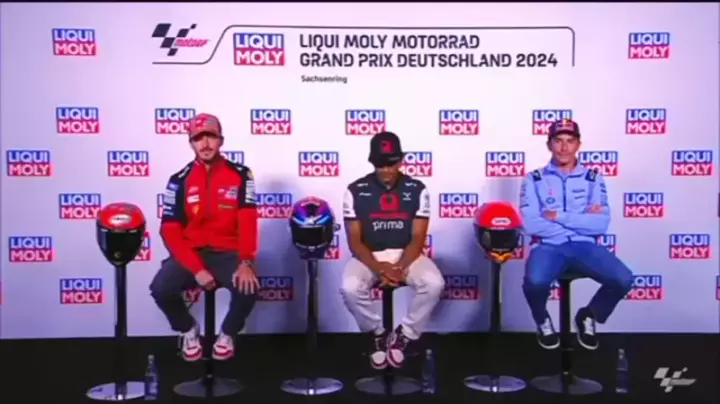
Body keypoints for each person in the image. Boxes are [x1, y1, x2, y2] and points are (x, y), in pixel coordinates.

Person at [150, 113, 260, 361]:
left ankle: (228, 333)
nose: (206, 143)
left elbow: (248, 220)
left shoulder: (241, 175)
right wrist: (196, 269)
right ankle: (188, 329)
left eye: (211, 136)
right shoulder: (178, 180)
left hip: (228, 252)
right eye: (199, 138)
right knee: (160, 289)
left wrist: (246, 261)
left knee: (248, 287)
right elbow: (169, 230)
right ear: (191, 143)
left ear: (221, 140)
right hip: (191, 253)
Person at [519, 119, 634, 351]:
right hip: (548, 246)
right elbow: (531, 224)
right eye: (558, 141)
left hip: (585, 246)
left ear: (578, 145)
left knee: (623, 279)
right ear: (549, 144)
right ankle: (542, 320)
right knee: (535, 282)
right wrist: (579, 222)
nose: (564, 147)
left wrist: (558, 216)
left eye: (570, 141)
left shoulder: (593, 178)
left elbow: (599, 224)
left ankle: (589, 315)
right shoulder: (534, 179)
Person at [341, 131, 445, 370]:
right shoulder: (354, 190)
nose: (386, 171)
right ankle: (377, 334)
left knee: (434, 283)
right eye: (381, 165)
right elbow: (355, 242)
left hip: (407, 255)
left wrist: (398, 267)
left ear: (401, 161)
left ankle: (404, 336)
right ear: (372, 162)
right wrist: (380, 268)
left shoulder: (417, 189)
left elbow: (418, 238)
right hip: (369, 256)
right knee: (349, 287)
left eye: (391, 164)